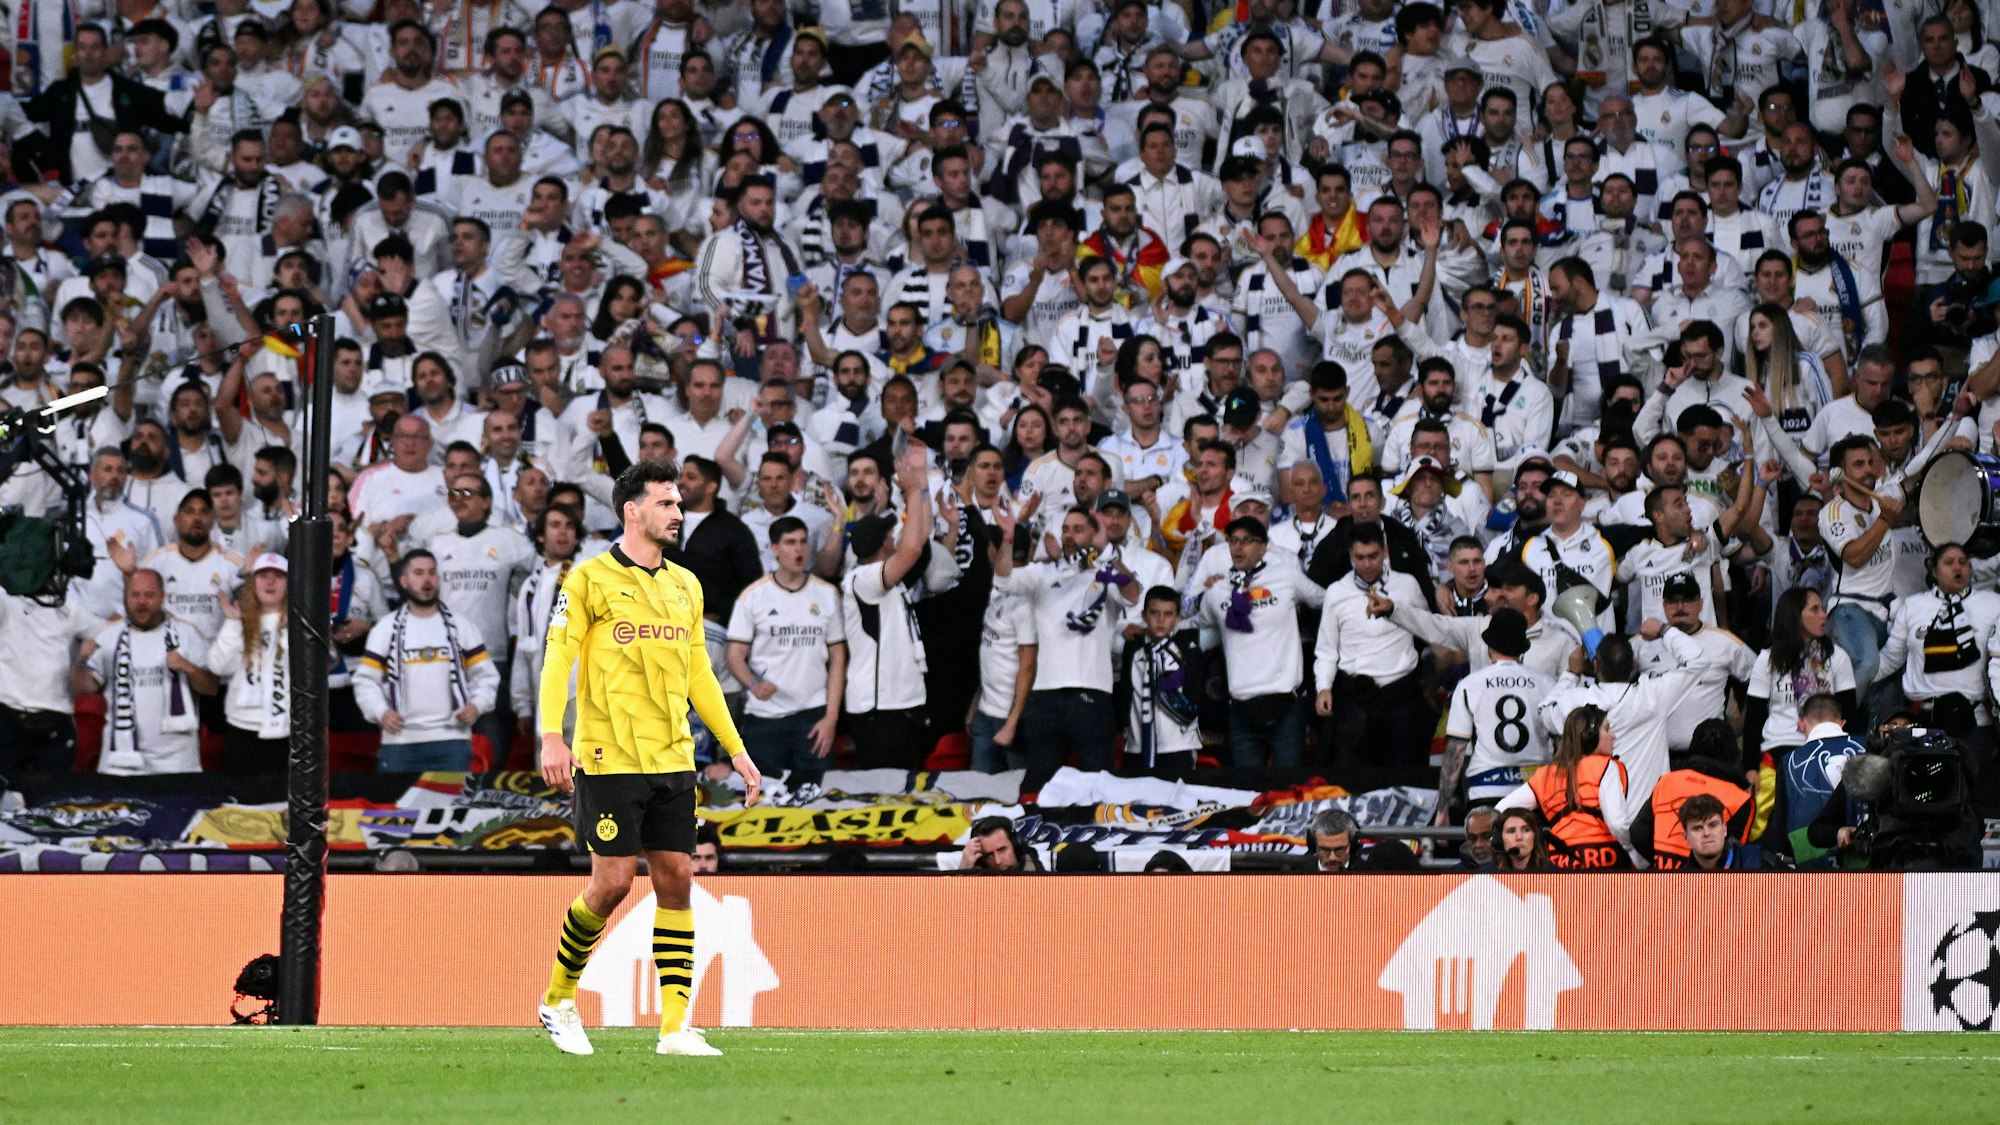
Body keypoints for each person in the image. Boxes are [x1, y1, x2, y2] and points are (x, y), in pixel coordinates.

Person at [533, 459, 763, 1060]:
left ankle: (675, 1028)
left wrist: (736, 749)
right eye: (666, 503)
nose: (678, 513)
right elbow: (557, 659)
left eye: (679, 503)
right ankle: (558, 1000)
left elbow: (700, 675)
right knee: (611, 884)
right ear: (632, 511)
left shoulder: (686, 585)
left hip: (673, 758)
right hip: (609, 757)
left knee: (677, 880)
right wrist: (551, 736)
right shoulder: (588, 579)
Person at [725, 517, 847, 785]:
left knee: (816, 793)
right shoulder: (753, 596)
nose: (799, 549)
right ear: (775, 549)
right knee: (764, 795)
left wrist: (831, 718)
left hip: (813, 715)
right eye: (790, 543)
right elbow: (735, 655)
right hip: (765, 718)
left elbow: (838, 658)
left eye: (803, 542)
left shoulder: (827, 594)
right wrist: (753, 684)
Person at [354, 550, 501, 772]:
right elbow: (365, 680)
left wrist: (476, 705)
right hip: (399, 742)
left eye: (432, 573)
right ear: (404, 581)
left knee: (453, 797)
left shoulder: (462, 626)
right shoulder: (385, 629)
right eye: (419, 573)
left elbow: (486, 676)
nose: (427, 580)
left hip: (452, 740)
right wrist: (381, 711)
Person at [73, 569, 220, 775]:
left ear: (162, 597)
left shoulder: (187, 634)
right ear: (125, 597)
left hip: (177, 762)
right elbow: (84, 687)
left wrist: (188, 667)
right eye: (135, 595)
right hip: (121, 762)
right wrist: (81, 660)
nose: (141, 601)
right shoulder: (108, 636)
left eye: (149, 595)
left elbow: (211, 688)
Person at [1438, 608, 1557, 823]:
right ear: (1523, 648)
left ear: (1489, 647)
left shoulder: (1469, 685)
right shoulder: (1547, 684)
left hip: (1485, 789)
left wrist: (1442, 808)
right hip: (1535, 790)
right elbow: (1561, 744)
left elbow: (1456, 750)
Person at [1499, 705, 1636, 870]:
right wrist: (1636, 856)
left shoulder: (1545, 775)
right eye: (1607, 729)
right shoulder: (1606, 766)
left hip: (1560, 860)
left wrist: (1537, 838)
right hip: (1606, 859)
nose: (1613, 736)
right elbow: (1617, 824)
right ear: (1590, 735)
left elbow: (1500, 810)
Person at [205, 553, 296, 774]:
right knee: (244, 794)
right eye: (263, 576)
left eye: (278, 576)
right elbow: (218, 667)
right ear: (253, 583)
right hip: (242, 725)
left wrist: (288, 631)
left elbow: (314, 669)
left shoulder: (301, 621)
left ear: (289, 584)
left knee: (284, 793)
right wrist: (233, 623)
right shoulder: (239, 619)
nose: (270, 582)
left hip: (288, 727)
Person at [1630, 718, 1753, 870]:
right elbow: (1736, 856)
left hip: (1664, 879)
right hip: (1712, 883)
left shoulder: (1667, 782)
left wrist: (1664, 862)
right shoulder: (1740, 799)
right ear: (1733, 754)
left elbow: (1638, 833)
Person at [1676, 793, 1787, 871]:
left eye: (1713, 825)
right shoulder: (1679, 882)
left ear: (1724, 830)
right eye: (1698, 828)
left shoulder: (1759, 860)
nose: (1707, 833)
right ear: (1685, 837)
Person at [1489, 807, 1552, 871]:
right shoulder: (1486, 874)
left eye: (1526, 830)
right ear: (1499, 839)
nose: (1519, 837)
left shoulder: (1553, 873)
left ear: (1536, 836)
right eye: (1511, 831)